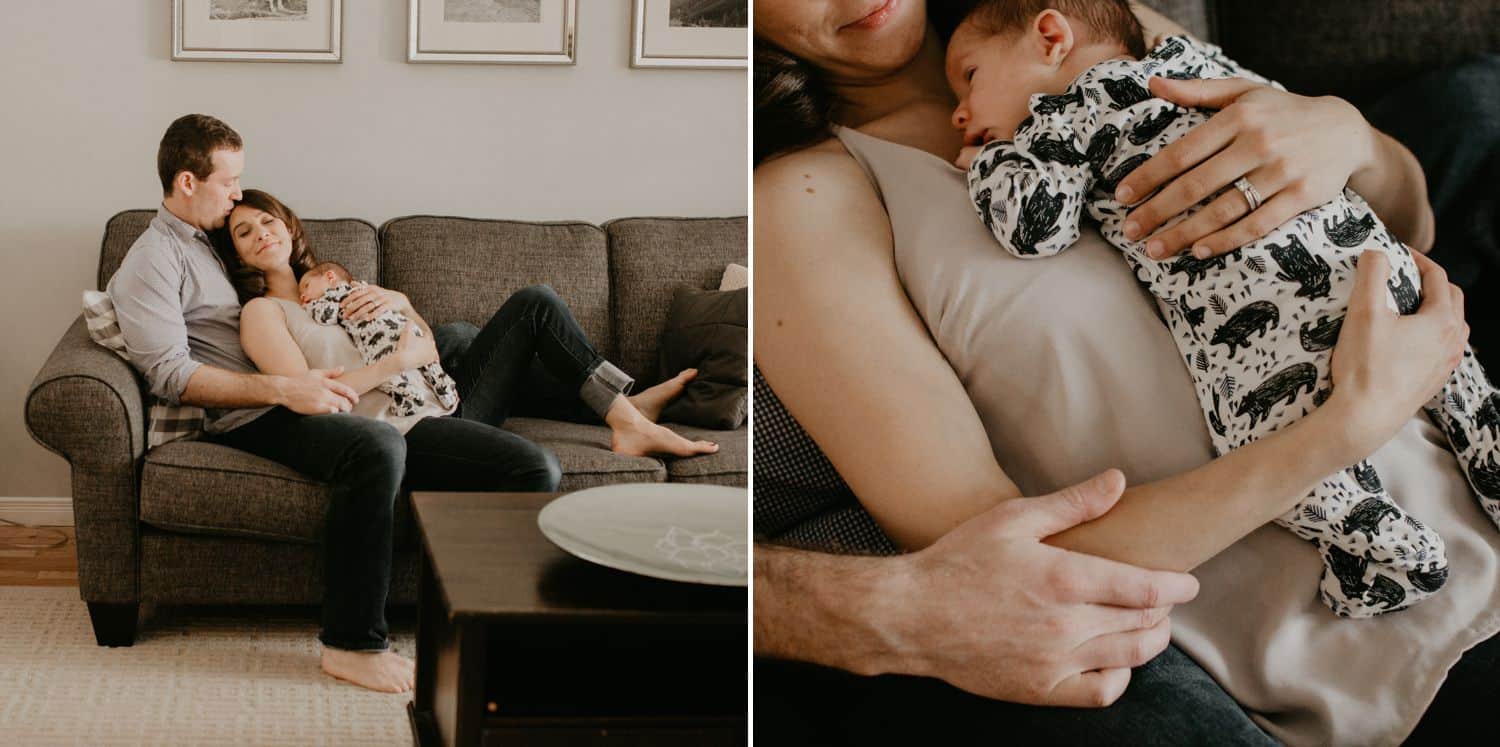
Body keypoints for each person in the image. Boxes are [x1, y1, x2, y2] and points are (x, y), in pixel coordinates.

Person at [751, 1, 1494, 743]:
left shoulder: (1091, 26)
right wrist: (1342, 430)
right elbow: (1007, 574)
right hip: (1369, 646)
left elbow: (1416, 222)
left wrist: (1347, 135)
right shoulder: (801, 203)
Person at [106, 115, 712, 695]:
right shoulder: (158, 260)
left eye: (259, 210)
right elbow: (169, 373)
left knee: (460, 337)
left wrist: (394, 304)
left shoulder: (222, 245)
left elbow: (405, 341)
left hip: (352, 388)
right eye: (230, 184)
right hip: (266, 408)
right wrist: (288, 387)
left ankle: (619, 407)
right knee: (380, 441)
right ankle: (351, 642)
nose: (241, 203)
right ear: (189, 183)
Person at [946, 0, 1499, 617]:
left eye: (970, 77)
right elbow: (1286, 114)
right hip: (1369, 256)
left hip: (1274, 315)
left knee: (1267, 445)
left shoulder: (1061, 117)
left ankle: (1392, 555)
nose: (959, 112)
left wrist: (992, 163)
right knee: (1462, 388)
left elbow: (1034, 229)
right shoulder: (1190, 63)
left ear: (1051, 37)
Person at [298, 260, 460, 417]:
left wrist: (309, 307)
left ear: (330, 277)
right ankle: (446, 388)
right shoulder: (363, 287)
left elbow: (326, 316)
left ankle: (408, 396)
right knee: (428, 363)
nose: (303, 295)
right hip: (404, 327)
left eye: (306, 287)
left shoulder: (332, 297)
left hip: (377, 338)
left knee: (386, 371)